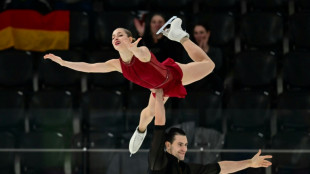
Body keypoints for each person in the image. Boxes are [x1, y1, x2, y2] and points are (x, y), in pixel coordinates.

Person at [43, 17, 215, 155]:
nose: (115, 38)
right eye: (113, 37)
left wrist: (135, 49)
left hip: (174, 75)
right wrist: (63, 62)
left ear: (131, 39)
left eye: (119, 35)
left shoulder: (143, 51)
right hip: (157, 87)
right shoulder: (116, 64)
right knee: (148, 114)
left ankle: (179, 35)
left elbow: (143, 55)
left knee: (209, 65)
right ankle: (140, 131)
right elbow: (89, 67)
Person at [149, 88, 272, 174]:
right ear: (168, 145)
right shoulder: (158, 162)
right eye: (180, 144)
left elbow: (221, 168)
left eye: (186, 145)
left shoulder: (187, 170)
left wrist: (249, 162)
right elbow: (159, 123)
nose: (184, 149)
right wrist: (159, 94)